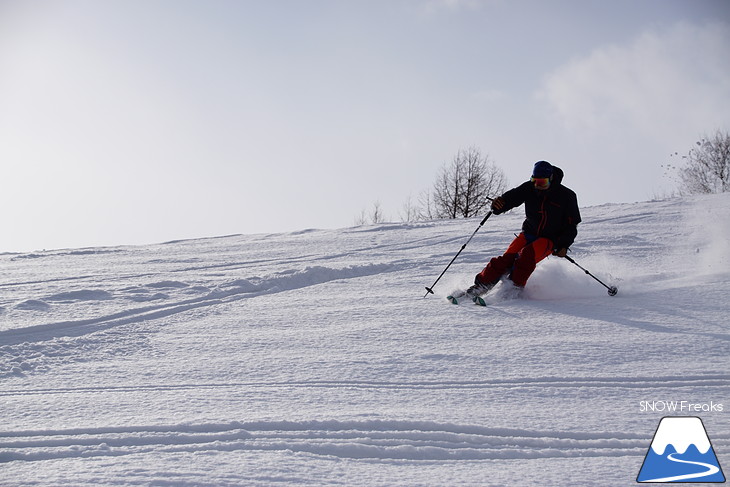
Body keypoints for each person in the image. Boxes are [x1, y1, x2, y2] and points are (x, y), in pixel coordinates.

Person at [466, 160, 581, 299]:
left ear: (551, 179)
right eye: (535, 181)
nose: (538, 186)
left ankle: (513, 289)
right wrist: (499, 205)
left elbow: (571, 225)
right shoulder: (529, 188)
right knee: (505, 259)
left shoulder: (567, 196)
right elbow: (510, 199)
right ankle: (481, 285)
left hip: (550, 239)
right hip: (528, 233)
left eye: (542, 183)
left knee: (525, 256)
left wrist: (563, 245)